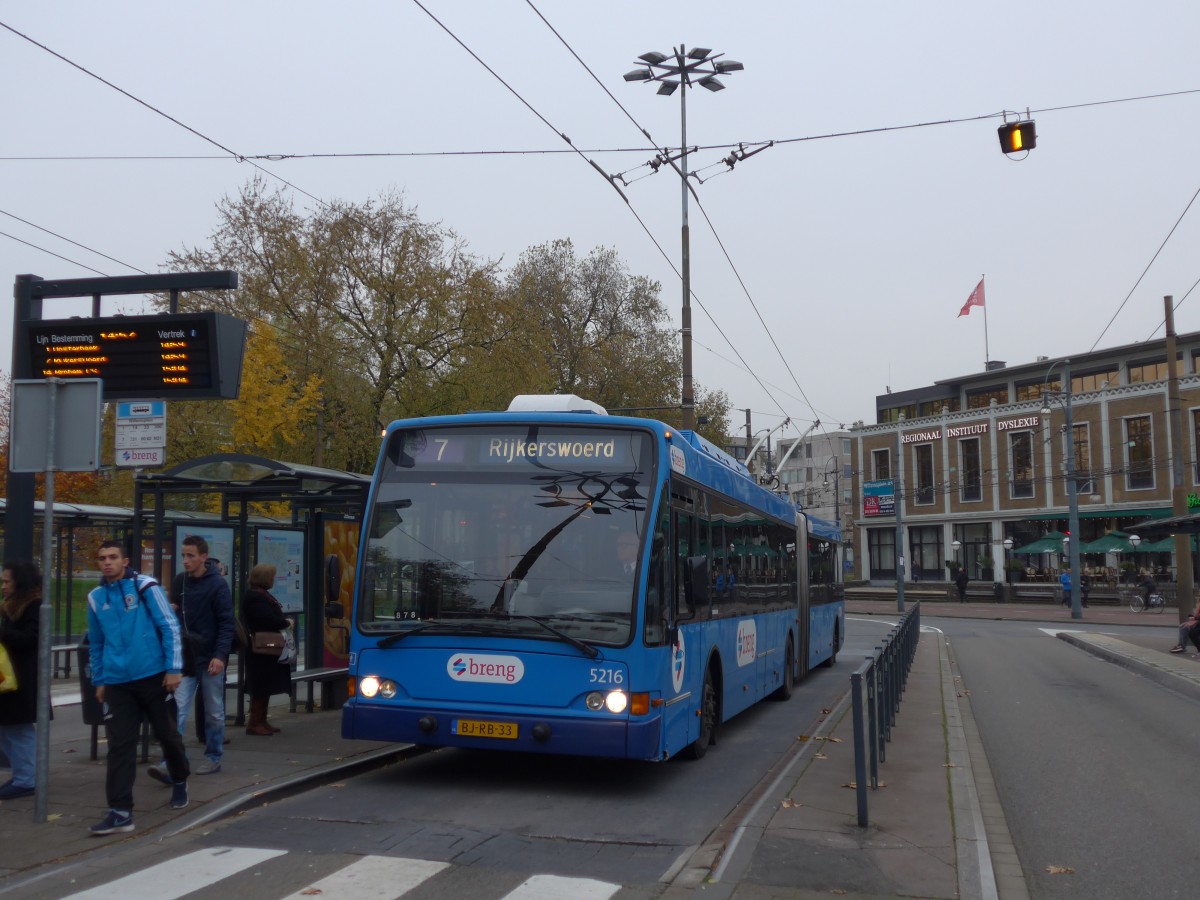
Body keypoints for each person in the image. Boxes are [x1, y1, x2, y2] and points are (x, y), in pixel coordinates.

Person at [86, 540, 189, 835]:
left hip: (154, 676)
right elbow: (96, 642)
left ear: (125, 561)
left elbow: (169, 625)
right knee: (120, 746)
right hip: (118, 682)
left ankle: (179, 778)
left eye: (112, 557)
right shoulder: (95, 598)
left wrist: (174, 668)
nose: (107, 562)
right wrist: (99, 680)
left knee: (167, 735)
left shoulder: (145, 587)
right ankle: (121, 811)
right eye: (102, 558)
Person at [156, 535, 234, 779]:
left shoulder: (218, 585)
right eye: (183, 555)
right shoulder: (181, 581)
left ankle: (214, 756)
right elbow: (172, 618)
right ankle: (171, 761)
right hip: (187, 658)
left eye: (190, 555)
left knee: (213, 711)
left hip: (210, 657)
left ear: (203, 557)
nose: (186, 560)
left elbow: (226, 623)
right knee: (177, 709)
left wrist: (220, 655)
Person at [0, 561, 43, 800]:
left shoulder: (34, 606)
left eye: (7, 581)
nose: (3, 586)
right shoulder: (11, 605)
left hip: (24, 678)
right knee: (7, 729)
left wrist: (3, 633)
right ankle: (22, 775)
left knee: (19, 729)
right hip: (11, 677)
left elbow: (30, 639)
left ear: (20, 582)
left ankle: (26, 779)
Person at [241, 564, 293, 736]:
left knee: (266, 684)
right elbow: (268, 619)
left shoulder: (261, 594)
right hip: (260, 650)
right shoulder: (255, 597)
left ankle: (262, 720)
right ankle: (255, 722)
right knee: (260, 685)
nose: (273, 580)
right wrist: (286, 622)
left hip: (267, 649)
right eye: (271, 576)